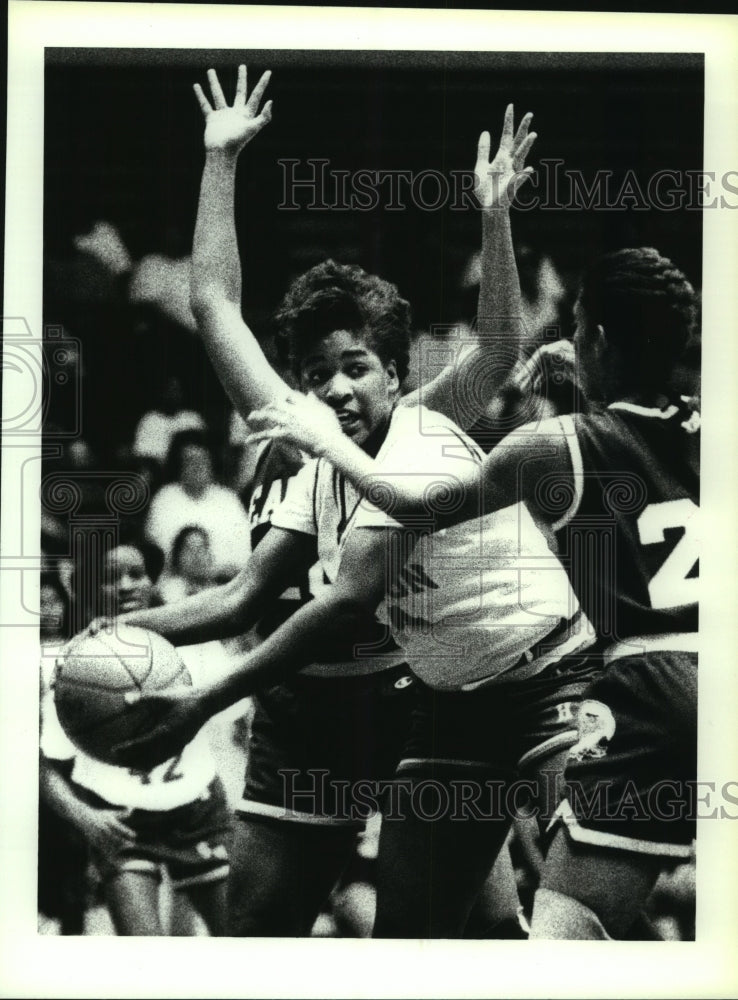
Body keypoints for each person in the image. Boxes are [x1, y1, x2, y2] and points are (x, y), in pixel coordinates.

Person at [247, 247, 700, 940]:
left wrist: (328, 444)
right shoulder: (701, 424)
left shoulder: (550, 443)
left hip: (590, 677)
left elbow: (414, 507)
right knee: (437, 928)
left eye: (575, 331)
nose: (563, 343)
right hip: (475, 701)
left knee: (575, 922)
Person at [40, 534, 232, 936]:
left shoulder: (196, 641)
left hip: (197, 808)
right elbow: (39, 764)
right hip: (122, 819)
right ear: (90, 587)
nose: (127, 585)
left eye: (137, 574)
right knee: (144, 959)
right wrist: (85, 816)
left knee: (242, 942)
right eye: (112, 577)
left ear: (153, 580)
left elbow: (240, 723)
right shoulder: (71, 663)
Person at [144, 430, 250, 578]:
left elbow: (244, 551)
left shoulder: (228, 499)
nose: (197, 468)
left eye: (202, 461)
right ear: (179, 466)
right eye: (190, 461)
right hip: (176, 582)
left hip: (223, 581)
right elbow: (160, 552)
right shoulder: (165, 499)